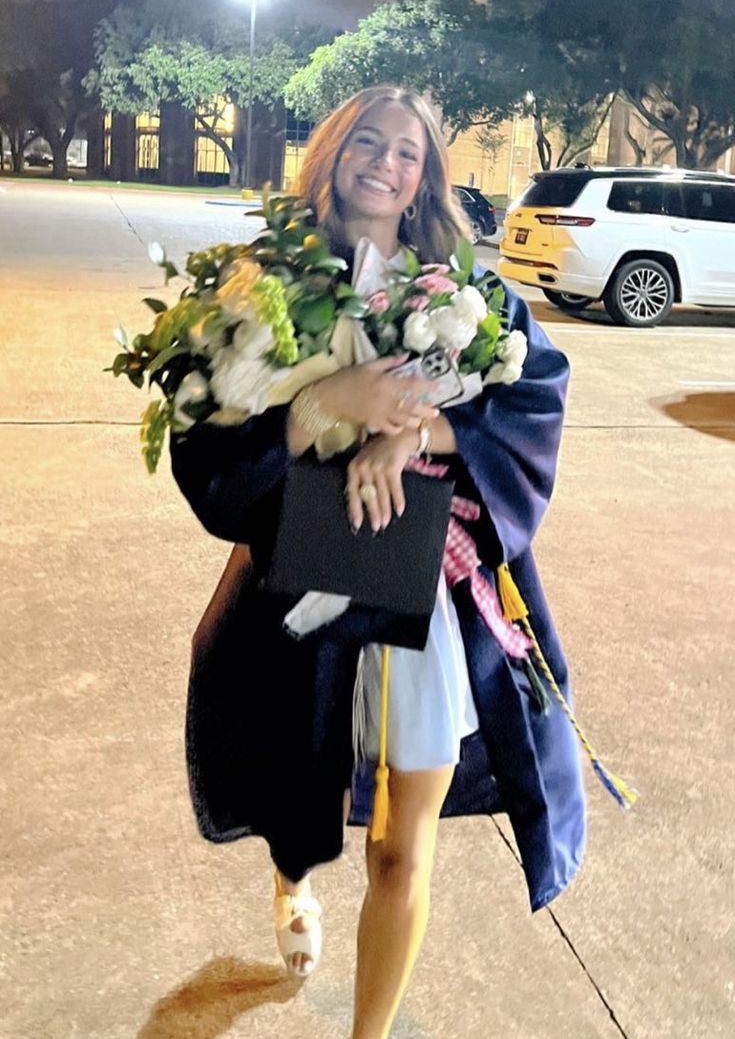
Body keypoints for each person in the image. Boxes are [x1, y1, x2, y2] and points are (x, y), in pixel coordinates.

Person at [170, 86, 586, 1039]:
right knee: (297, 775)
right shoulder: (262, 280)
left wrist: (411, 425)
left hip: (422, 586)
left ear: (426, 178)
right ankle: (291, 882)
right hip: (301, 578)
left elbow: (532, 393)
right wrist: (325, 408)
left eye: (409, 152)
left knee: (403, 846)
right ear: (332, 151)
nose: (387, 163)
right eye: (369, 141)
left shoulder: (464, 292)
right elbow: (206, 435)